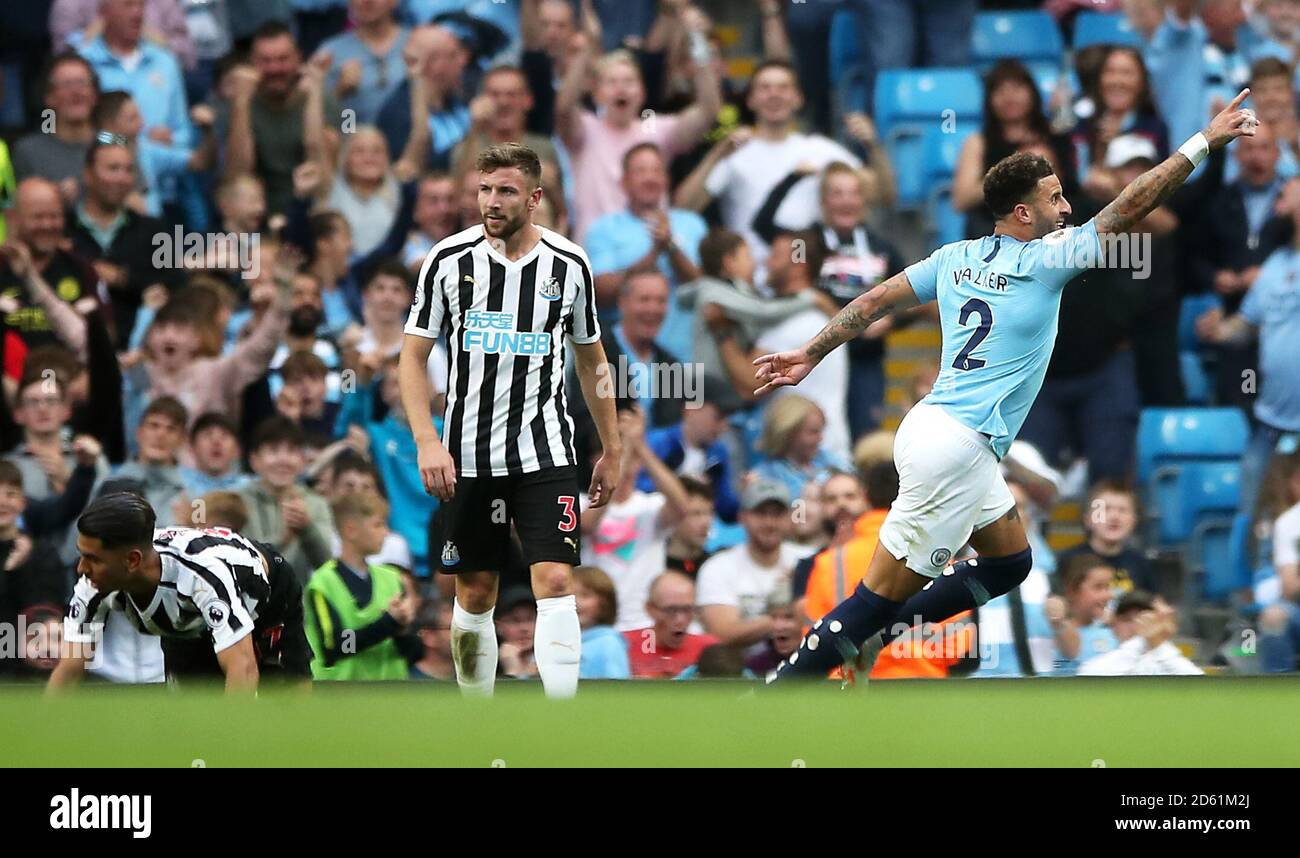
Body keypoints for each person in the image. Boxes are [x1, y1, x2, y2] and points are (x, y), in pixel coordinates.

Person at [761, 90, 1259, 682]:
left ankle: (870, 639)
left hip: (949, 434)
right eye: (1055, 197)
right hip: (954, 445)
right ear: (1024, 213)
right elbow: (1131, 204)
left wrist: (810, 353)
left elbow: (871, 301)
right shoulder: (1048, 261)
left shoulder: (953, 257)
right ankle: (780, 691)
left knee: (1010, 562)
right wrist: (1204, 141)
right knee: (875, 598)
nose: (1068, 205)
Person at [399, 143, 621, 699]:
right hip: (467, 454)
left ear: (535, 197)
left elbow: (592, 360)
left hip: (545, 451)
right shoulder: (448, 261)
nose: (491, 202)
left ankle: (561, 718)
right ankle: (478, 718)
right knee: (475, 590)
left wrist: (611, 449)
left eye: (505, 191)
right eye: (484, 190)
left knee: (555, 580)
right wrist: (428, 440)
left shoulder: (569, 265)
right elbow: (410, 355)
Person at [48, 491, 312, 693]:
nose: (82, 568)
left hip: (266, 596)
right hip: (187, 622)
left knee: (287, 701)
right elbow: (70, 668)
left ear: (132, 561)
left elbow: (241, 668)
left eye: (93, 559)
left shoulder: (202, 577)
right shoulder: (93, 582)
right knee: (190, 712)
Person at [1198, 175, 1300, 520]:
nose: (1277, 206)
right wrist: (1220, 330)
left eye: (1284, 197)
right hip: (1271, 423)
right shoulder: (1274, 266)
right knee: (1254, 520)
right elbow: (1248, 325)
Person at [580, 405, 689, 632]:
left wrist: (638, 444)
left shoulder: (651, 505)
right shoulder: (581, 503)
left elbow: (682, 507)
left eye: (629, 456)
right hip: (597, 625)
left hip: (646, 623)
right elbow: (588, 526)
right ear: (594, 461)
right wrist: (622, 449)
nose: (624, 461)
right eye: (608, 454)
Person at [304, 492, 419, 680]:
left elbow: (414, 652)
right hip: (340, 696)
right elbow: (336, 645)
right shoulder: (322, 584)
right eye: (378, 524)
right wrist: (390, 623)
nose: (386, 532)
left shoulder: (393, 578)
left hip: (390, 694)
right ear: (351, 530)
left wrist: (403, 628)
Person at [695, 477, 810, 647]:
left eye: (777, 514)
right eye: (760, 513)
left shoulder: (808, 560)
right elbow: (722, 634)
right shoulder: (718, 567)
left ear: (789, 517)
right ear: (742, 517)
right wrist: (790, 612)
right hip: (741, 670)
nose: (769, 523)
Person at [237, 416, 336, 583]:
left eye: (291, 451)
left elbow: (327, 564)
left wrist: (307, 529)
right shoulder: (237, 502)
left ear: (303, 461)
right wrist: (282, 540)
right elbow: (240, 561)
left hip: (299, 605)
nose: (283, 460)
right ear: (254, 460)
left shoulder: (316, 503)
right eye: (273, 450)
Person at [1057, 480, 1155, 596]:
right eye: (1105, 509)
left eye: (1122, 510)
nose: (1114, 517)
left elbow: (1152, 602)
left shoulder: (1140, 563)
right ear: (1087, 519)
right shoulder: (1068, 560)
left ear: (1134, 520)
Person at [1078, 590, 1201, 675]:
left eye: (1145, 618)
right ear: (1114, 626)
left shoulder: (1169, 660)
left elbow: (1200, 689)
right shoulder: (1095, 667)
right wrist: (1147, 640)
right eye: (1127, 620)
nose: (1137, 625)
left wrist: (1157, 644)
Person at [623, 571, 717, 679]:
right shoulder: (623, 646)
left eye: (687, 609)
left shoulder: (709, 650)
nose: (680, 619)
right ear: (650, 609)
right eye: (671, 610)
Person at [1045, 553, 1120, 675]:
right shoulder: (1051, 632)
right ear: (1071, 590)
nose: (1109, 595)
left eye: (1108, 587)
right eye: (1098, 587)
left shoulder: (1112, 632)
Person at [573, 565, 631, 679]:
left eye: (585, 595)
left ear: (605, 603)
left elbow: (618, 689)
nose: (576, 602)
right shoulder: (555, 640)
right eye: (569, 596)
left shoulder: (609, 643)